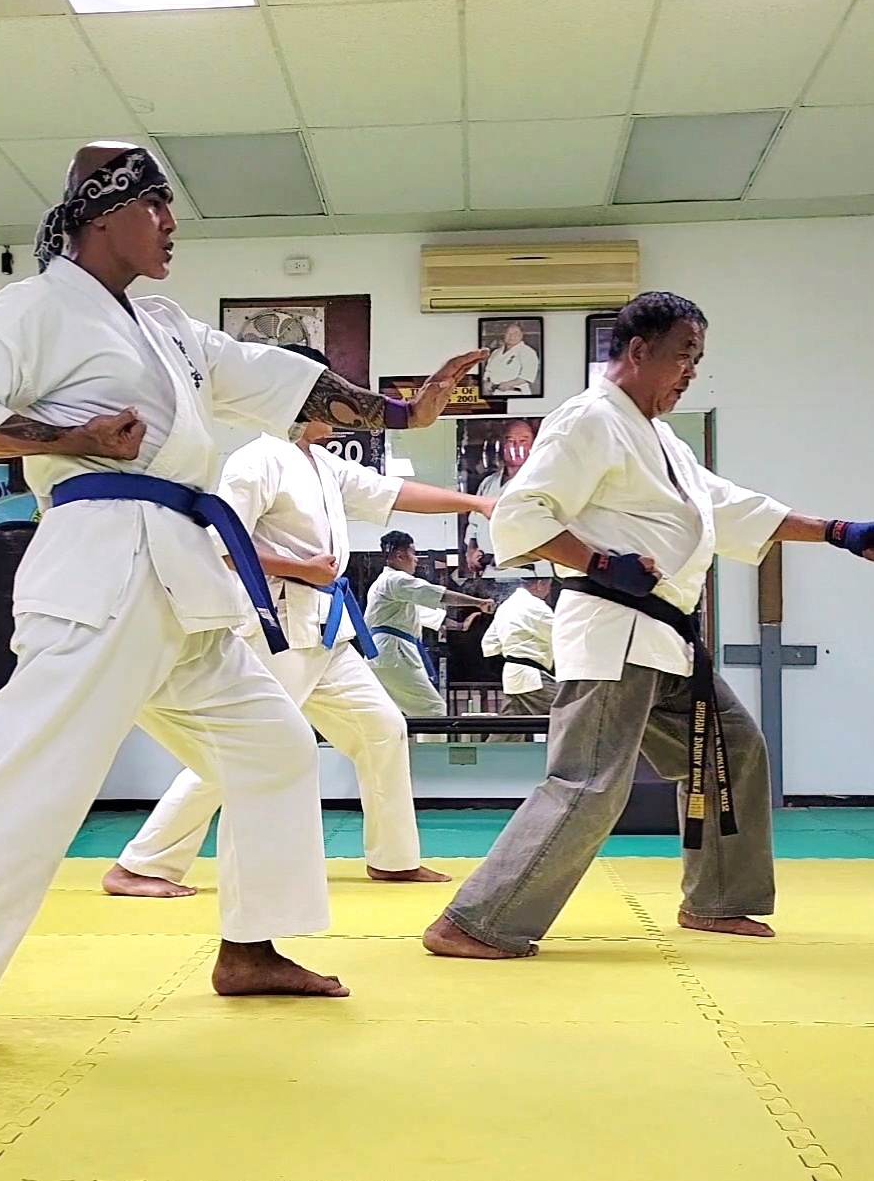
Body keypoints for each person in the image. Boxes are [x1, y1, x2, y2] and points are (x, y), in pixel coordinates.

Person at [0, 140, 486, 1053]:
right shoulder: (34, 308)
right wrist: (72, 432)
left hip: (183, 568)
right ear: (102, 214)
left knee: (274, 746)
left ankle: (249, 946)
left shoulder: (163, 324)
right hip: (101, 558)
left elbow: (278, 381)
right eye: (157, 207)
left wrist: (405, 411)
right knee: (36, 773)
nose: (173, 225)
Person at [424, 290, 874, 962]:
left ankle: (719, 900)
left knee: (730, 751)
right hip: (613, 632)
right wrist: (601, 560)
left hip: (664, 640)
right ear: (637, 351)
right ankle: (475, 922)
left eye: (698, 360)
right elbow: (522, 514)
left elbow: (730, 508)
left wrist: (838, 531)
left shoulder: (658, 435)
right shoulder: (587, 421)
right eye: (682, 356)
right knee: (590, 782)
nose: (690, 372)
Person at [104, 347, 497, 898]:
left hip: (326, 633)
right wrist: (300, 568)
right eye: (325, 391)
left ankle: (394, 857)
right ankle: (141, 865)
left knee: (382, 728)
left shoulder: (322, 462)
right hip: (277, 631)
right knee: (240, 747)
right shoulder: (256, 460)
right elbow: (219, 546)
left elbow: (395, 494)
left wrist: (475, 505)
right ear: (293, 394)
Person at [366, 531, 495, 718]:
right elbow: (438, 595)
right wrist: (478, 602)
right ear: (400, 555)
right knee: (432, 710)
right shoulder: (396, 580)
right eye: (413, 553)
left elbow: (424, 614)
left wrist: (459, 626)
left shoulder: (391, 587)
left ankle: (404, 748)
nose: (416, 559)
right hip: (392, 654)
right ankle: (434, 748)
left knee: (392, 714)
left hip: (386, 654)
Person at [481, 561, 557, 729]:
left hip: (513, 675)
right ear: (539, 584)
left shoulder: (506, 606)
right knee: (568, 715)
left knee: (508, 732)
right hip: (532, 676)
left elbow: (489, 644)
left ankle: (489, 756)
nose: (548, 591)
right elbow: (560, 635)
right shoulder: (536, 606)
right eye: (549, 586)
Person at [465, 418, 537, 573]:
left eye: (523, 441)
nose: (516, 447)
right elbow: (474, 524)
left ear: (533, 445)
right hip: (488, 568)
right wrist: (471, 551)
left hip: (528, 569)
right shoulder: (489, 483)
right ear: (502, 445)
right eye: (510, 441)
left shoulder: (539, 481)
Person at [481, 322, 539, 397]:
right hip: (494, 393)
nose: (512, 336)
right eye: (508, 333)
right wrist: (486, 382)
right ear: (504, 335)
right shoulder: (496, 352)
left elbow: (527, 376)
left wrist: (509, 384)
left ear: (521, 335)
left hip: (515, 392)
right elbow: (488, 371)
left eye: (516, 333)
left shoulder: (527, 351)